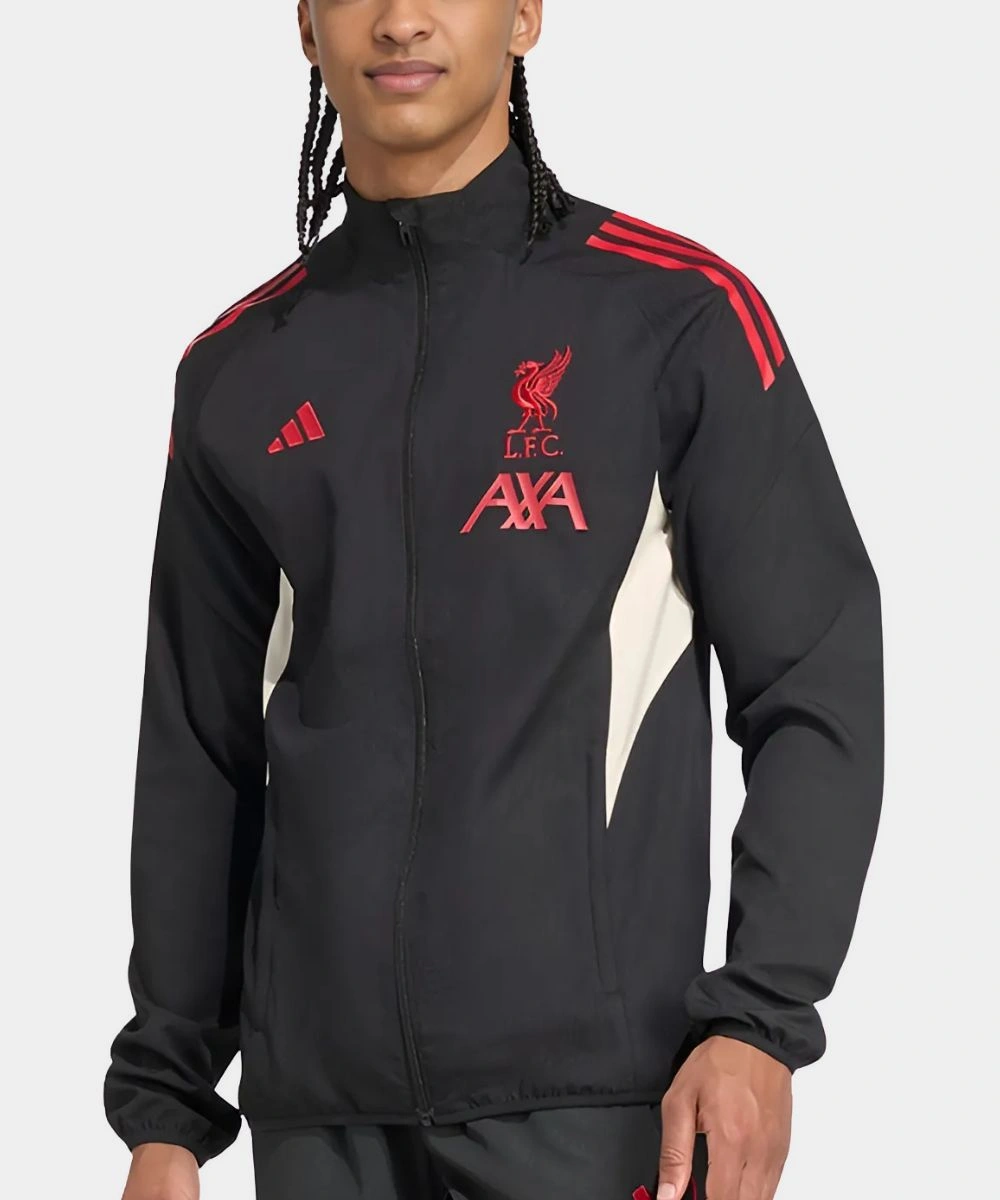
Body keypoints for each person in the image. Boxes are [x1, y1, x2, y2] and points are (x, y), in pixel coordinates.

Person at [104, 2, 884, 1198]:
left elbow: (813, 679)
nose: (400, 20)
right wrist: (167, 1112)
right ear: (306, 26)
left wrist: (760, 1019)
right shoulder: (239, 370)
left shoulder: (672, 318)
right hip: (320, 1125)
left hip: (598, 1108)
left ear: (523, 15)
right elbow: (198, 758)